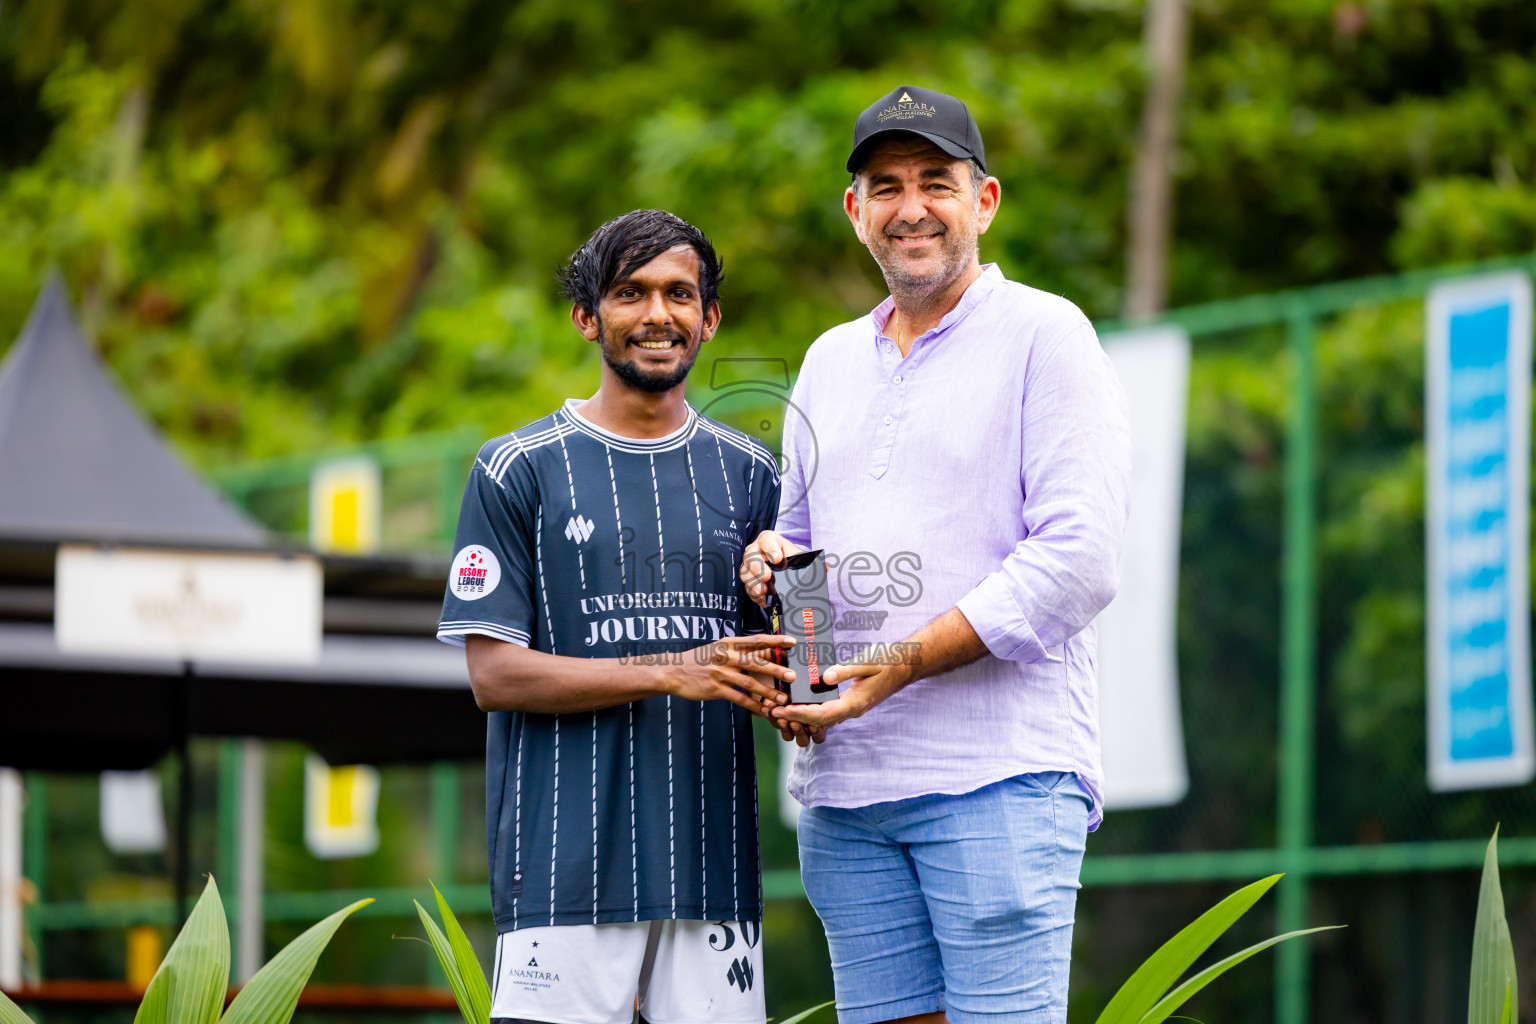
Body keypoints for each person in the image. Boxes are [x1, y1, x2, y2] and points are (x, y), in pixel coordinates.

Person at [740, 86, 1133, 1024]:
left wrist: (895, 666)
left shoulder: (1048, 334)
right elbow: (802, 543)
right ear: (856, 213)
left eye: (935, 182)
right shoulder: (828, 358)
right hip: (847, 793)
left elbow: (1079, 560)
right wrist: (777, 570)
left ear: (984, 201)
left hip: (997, 779)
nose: (910, 206)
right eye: (885, 186)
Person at [439, 208, 793, 1024]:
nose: (656, 315)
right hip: (562, 878)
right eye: (630, 293)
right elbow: (492, 676)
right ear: (586, 316)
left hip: (715, 878)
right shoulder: (515, 469)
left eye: (678, 294)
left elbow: (790, 664)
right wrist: (673, 669)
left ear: (709, 318)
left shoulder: (753, 475)